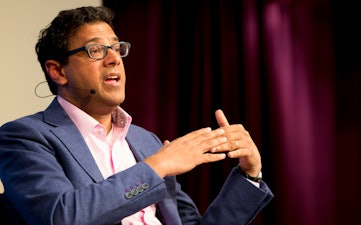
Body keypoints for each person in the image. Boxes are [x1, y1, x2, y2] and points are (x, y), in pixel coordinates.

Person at [0, 6, 273, 225]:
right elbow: (61, 216)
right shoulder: (25, 137)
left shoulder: (146, 141)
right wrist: (157, 167)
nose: (114, 59)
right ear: (58, 71)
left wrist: (249, 175)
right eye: (96, 51)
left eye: (117, 49)